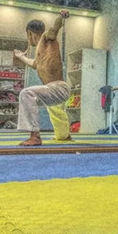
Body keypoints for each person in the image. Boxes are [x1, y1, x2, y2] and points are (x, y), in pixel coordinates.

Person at [14, 10, 72, 146]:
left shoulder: (46, 37)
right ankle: (63, 135)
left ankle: (35, 137)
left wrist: (61, 17)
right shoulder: (41, 50)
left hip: (59, 88)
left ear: (29, 33)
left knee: (27, 93)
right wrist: (21, 57)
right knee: (29, 97)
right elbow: (34, 64)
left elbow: (55, 28)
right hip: (51, 89)